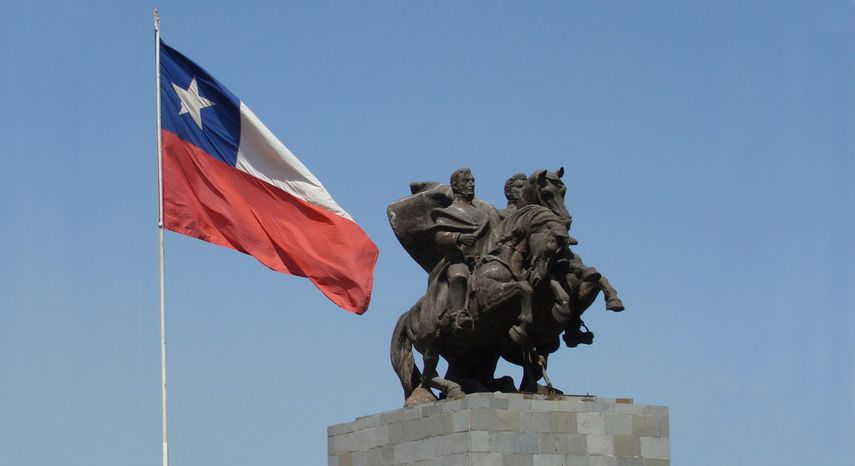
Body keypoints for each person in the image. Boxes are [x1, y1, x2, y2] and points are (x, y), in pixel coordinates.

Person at [431, 168, 500, 334]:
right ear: (454, 186)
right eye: (466, 181)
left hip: (485, 260)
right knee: (459, 275)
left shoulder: (485, 213)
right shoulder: (447, 212)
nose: (471, 185)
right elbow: (439, 236)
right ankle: (457, 315)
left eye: (472, 181)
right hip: (460, 260)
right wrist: (458, 238)